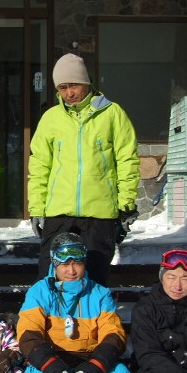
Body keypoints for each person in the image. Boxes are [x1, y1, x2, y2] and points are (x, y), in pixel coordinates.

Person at [16, 232, 144, 373]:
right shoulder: (39, 292)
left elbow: (113, 334)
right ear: (54, 263)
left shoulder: (100, 294)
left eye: (77, 263)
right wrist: (51, 367)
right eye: (65, 264)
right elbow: (28, 333)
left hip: (90, 364)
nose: (71, 271)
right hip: (53, 363)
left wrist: (96, 366)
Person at [27, 53, 140, 286]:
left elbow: (127, 160)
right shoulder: (51, 118)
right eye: (63, 88)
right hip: (59, 211)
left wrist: (126, 204)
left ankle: (93, 310)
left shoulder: (112, 113)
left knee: (95, 276)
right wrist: (37, 207)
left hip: (99, 212)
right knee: (49, 275)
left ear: (86, 83)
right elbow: (39, 165)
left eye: (74, 85)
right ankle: (47, 310)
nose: (69, 93)